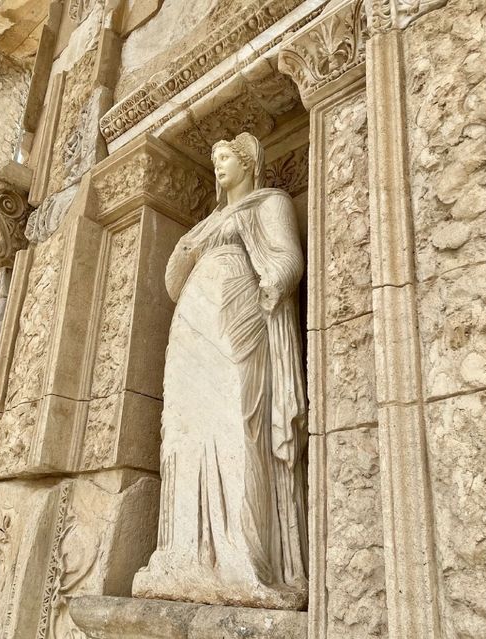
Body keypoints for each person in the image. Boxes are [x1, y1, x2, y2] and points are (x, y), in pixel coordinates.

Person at [133, 132, 308, 610]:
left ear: (248, 162)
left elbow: (289, 258)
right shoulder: (207, 222)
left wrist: (274, 280)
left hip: (238, 321)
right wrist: (190, 248)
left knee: (237, 426)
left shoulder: (269, 202)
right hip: (192, 326)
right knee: (183, 433)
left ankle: (244, 558)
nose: (218, 167)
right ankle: (183, 553)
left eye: (226, 157)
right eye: (214, 159)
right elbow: (172, 283)